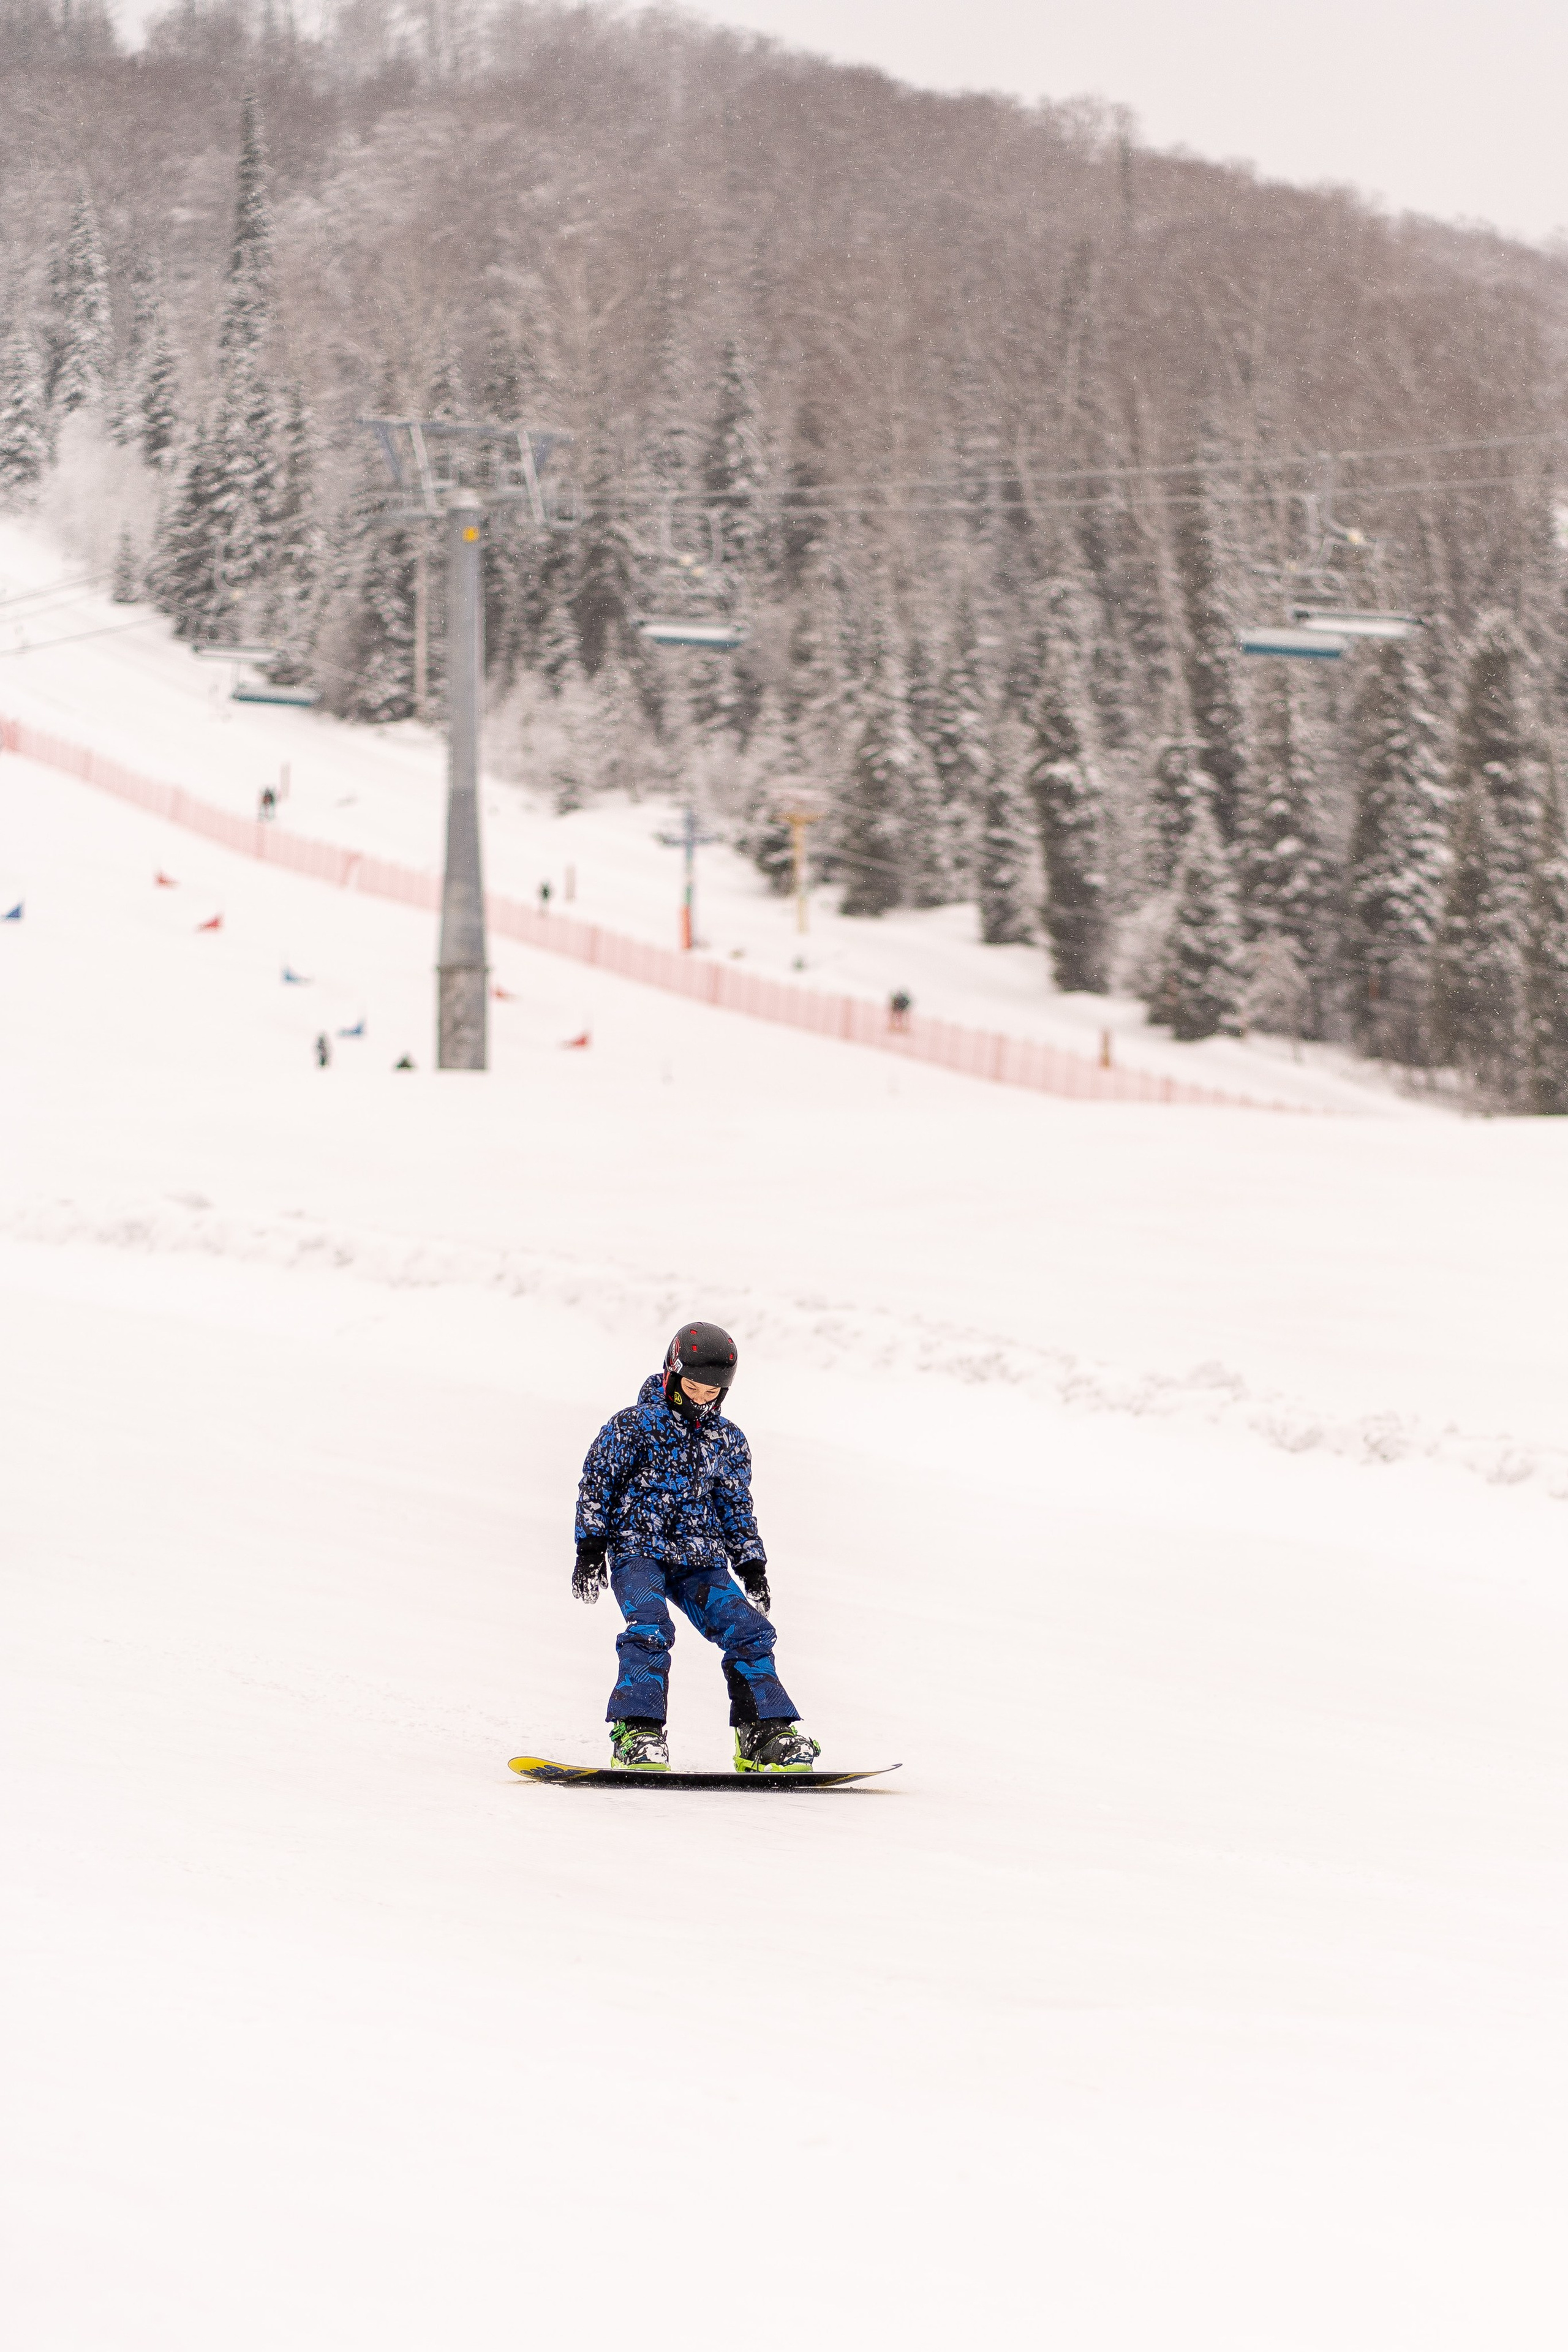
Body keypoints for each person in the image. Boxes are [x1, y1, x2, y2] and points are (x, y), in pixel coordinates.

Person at [572, 1321, 820, 1773]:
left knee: (749, 1631)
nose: (701, 1398)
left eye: (713, 1391)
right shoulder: (633, 1426)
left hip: (699, 1561)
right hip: (637, 1550)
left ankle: (764, 1733)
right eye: (692, 1386)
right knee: (649, 1627)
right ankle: (638, 1732)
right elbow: (597, 1486)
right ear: (671, 1372)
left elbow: (735, 1505)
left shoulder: (727, 1441)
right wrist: (589, 1550)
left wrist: (751, 1565)